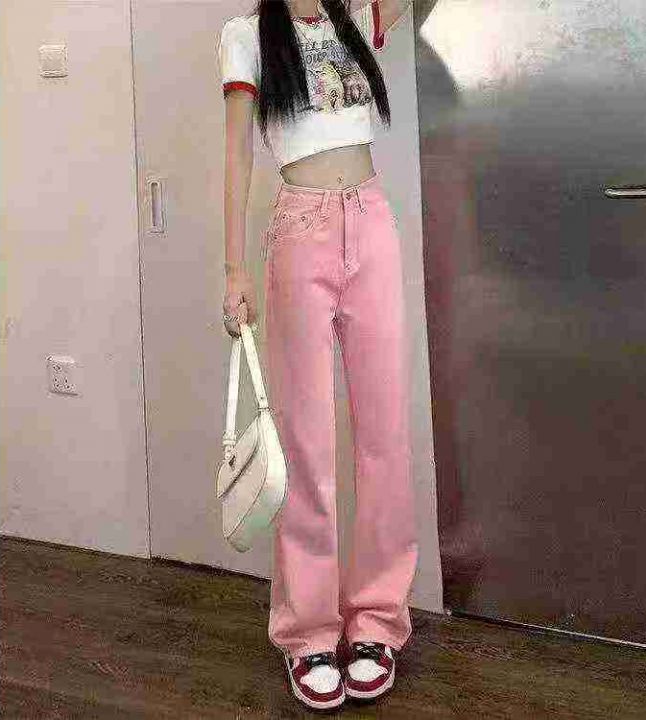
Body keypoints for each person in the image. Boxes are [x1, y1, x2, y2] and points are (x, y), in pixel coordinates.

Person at [217, 0, 417, 710]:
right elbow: (238, 152)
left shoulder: (357, 17)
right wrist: (234, 270)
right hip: (299, 230)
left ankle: (378, 620)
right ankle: (308, 634)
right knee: (306, 443)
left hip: (371, 222)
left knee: (384, 434)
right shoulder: (246, 36)